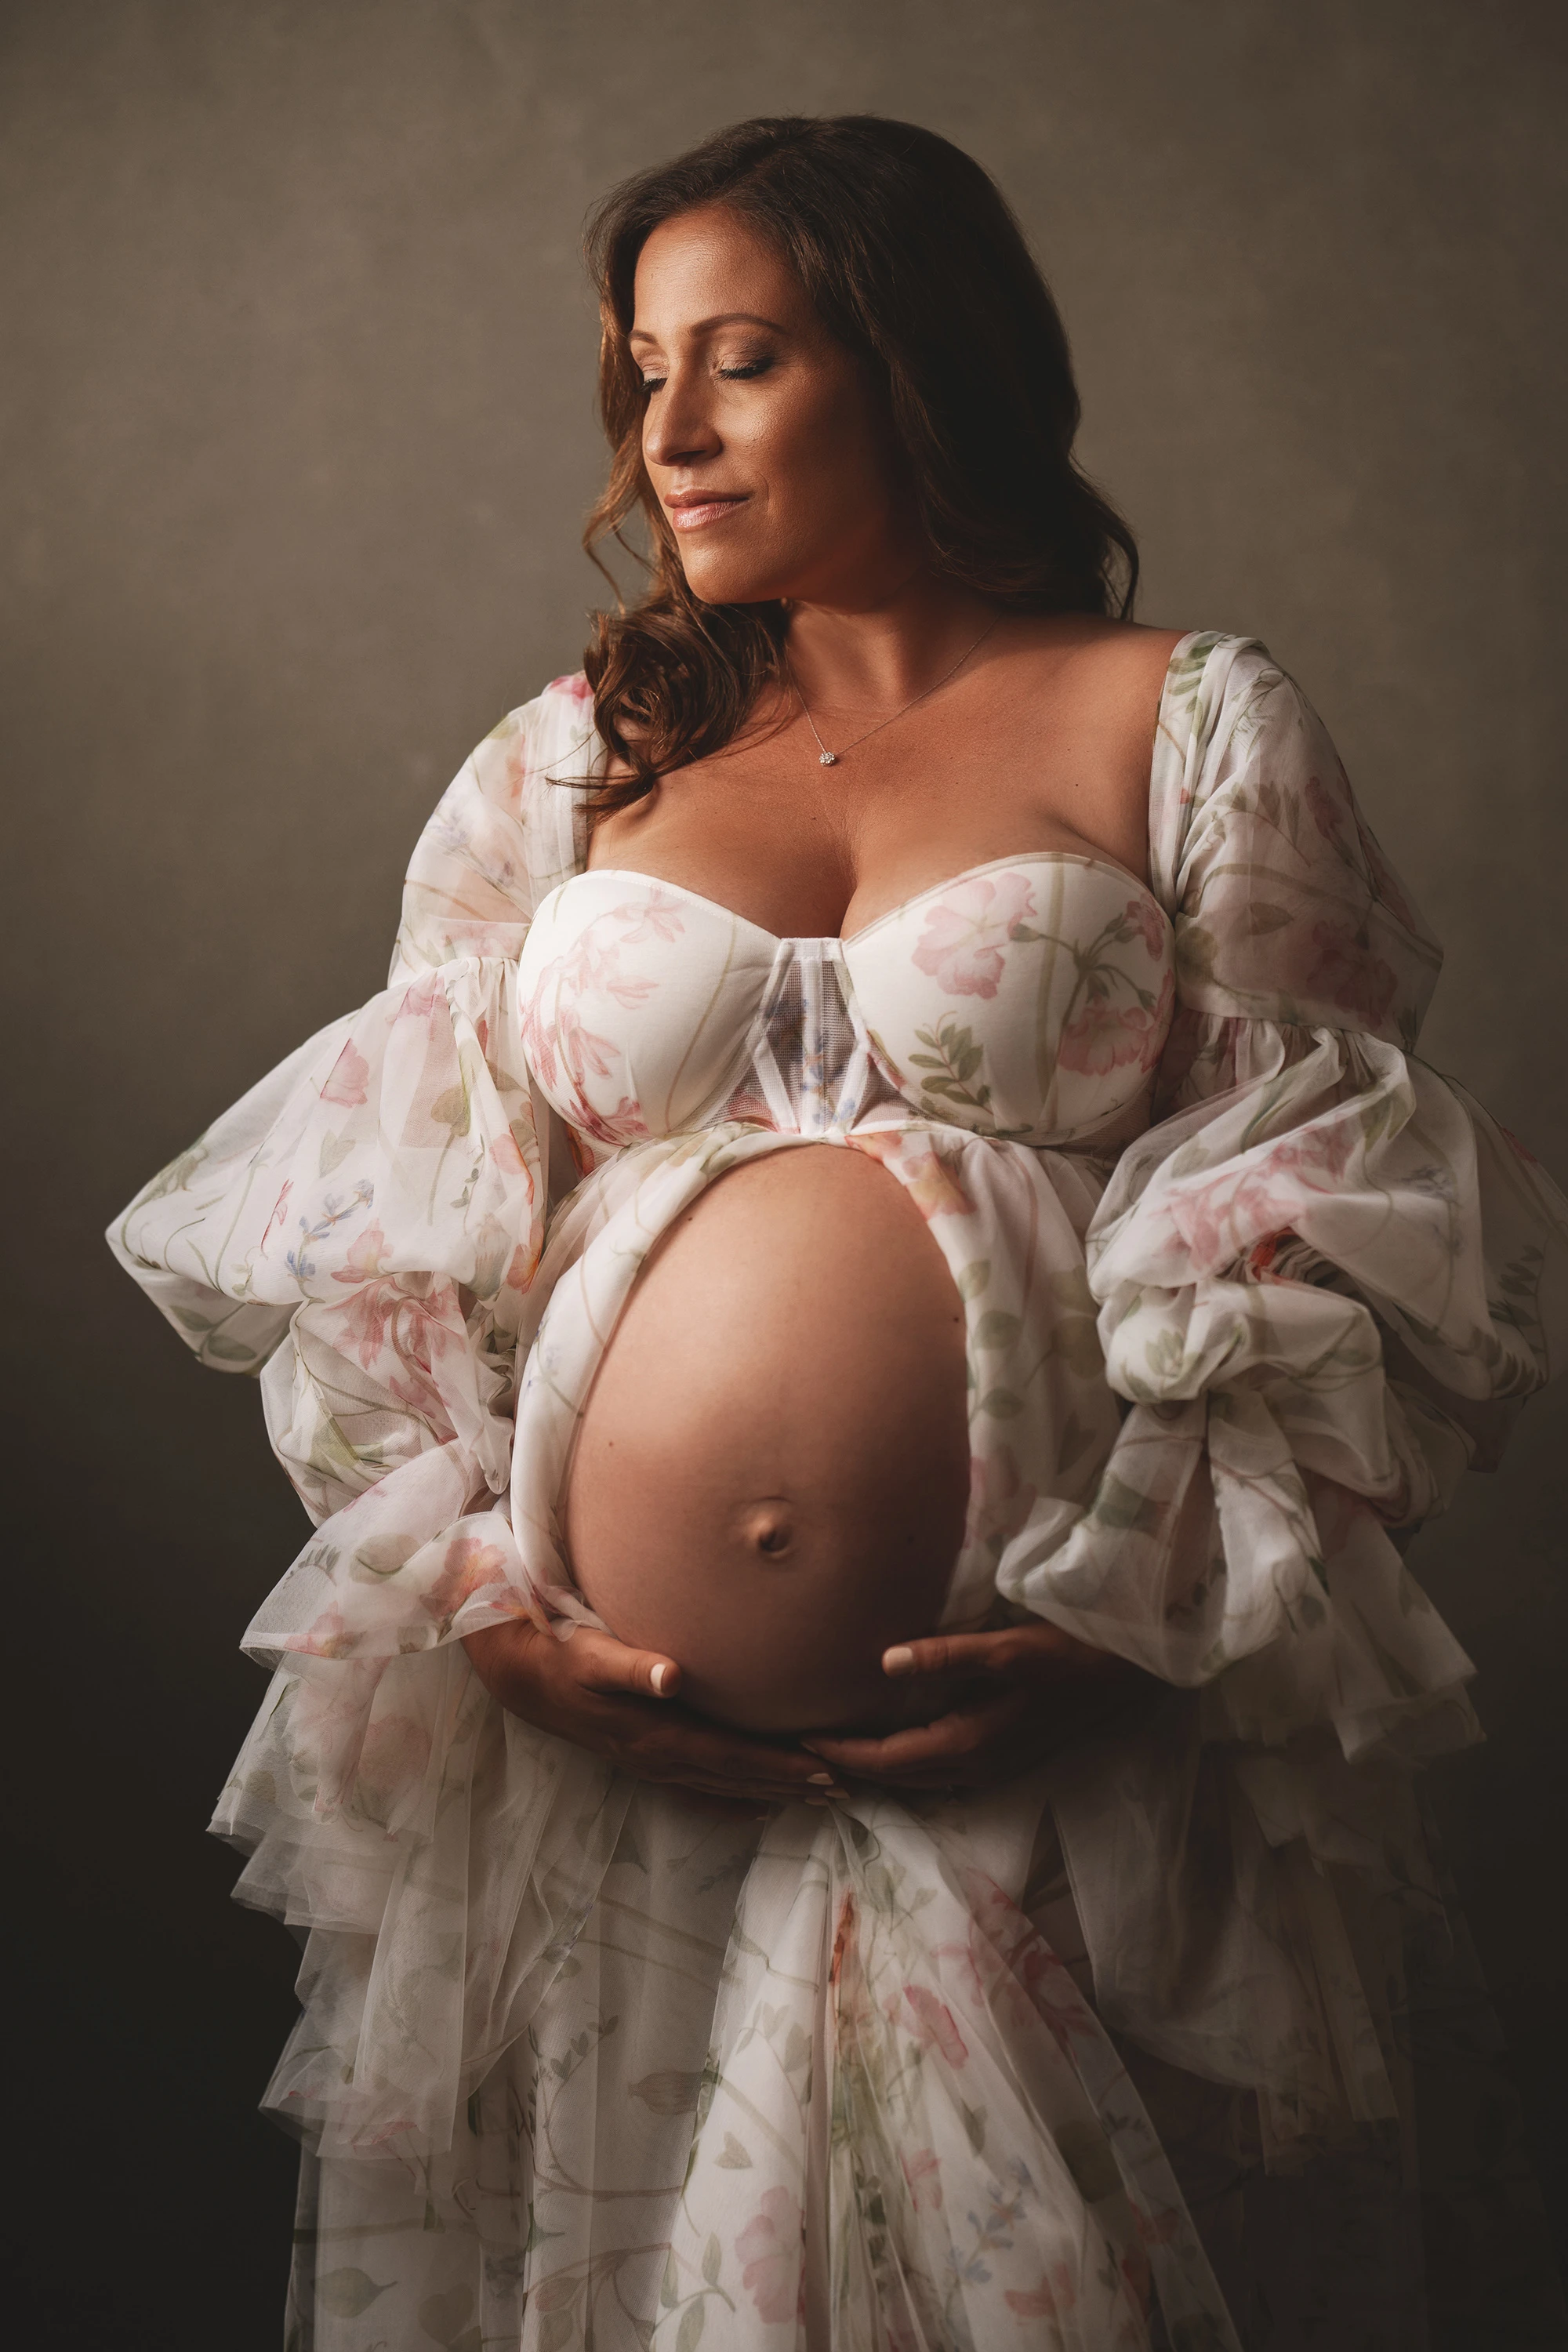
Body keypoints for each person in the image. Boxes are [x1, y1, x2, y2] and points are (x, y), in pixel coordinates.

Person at [110, 115, 1568, 2350]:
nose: (666, 432)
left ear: (920, 365)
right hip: (611, 1765)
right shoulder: (576, 759)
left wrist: (1140, 1615)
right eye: (642, 372)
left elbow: (1330, 1228)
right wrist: (482, 1596)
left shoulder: (1185, 724)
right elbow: (403, 1224)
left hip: (1052, 1749)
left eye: (745, 361)